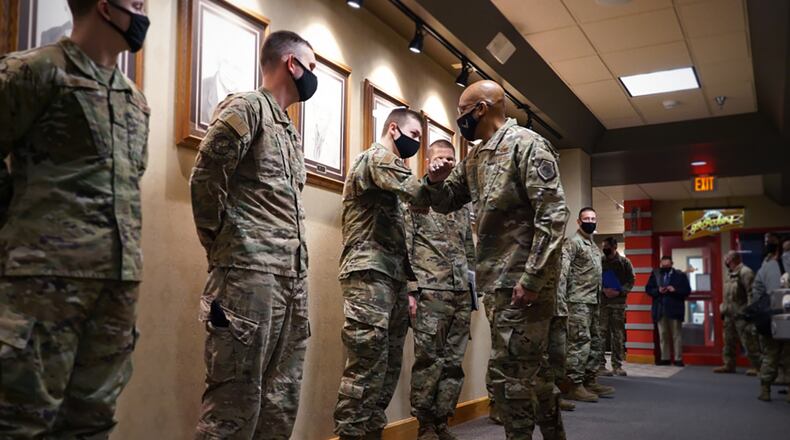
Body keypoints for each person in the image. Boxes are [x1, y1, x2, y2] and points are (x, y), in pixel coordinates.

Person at [0, 0, 150, 437]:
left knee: (91, 423)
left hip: (116, 285)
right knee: (19, 422)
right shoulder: (34, 71)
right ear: (105, 7)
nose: (144, 13)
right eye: (137, 3)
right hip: (41, 285)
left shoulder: (134, 99)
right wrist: (22, 226)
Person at [422, 80, 569, 440]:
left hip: (524, 283)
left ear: (481, 110)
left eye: (462, 112)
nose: (460, 119)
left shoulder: (528, 145)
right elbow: (444, 201)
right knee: (533, 374)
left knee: (511, 378)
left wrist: (532, 279)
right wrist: (434, 179)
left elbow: (552, 217)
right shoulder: (476, 158)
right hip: (499, 285)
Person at [190, 30, 317, 439]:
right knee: (233, 405)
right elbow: (206, 178)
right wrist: (226, 247)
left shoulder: (289, 131)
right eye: (311, 67)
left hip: (290, 280)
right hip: (247, 278)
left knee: (280, 401)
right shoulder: (247, 108)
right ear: (291, 65)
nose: (313, 75)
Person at [333, 108, 429, 440]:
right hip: (368, 274)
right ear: (393, 128)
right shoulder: (376, 159)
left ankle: (370, 432)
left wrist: (411, 287)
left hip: (392, 279)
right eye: (414, 135)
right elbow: (420, 194)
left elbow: (401, 238)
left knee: (387, 367)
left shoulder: (392, 174)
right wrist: (442, 185)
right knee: (366, 364)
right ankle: (351, 434)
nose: (417, 142)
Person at [402, 140, 476, 440]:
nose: (446, 163)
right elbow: (405, 243)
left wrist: (474, 291)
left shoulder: (459, 203)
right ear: (428, 162)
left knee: (453, 363)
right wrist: (409, 289)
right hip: (430, 291)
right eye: (440, 158)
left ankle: (443, 419)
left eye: (451, 159)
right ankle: (425, 424)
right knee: (429, 360)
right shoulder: (415, 196)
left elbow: (468, 247)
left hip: (459, 292)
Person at [561, 208, 615, 402]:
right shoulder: (573, 243)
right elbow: (563, 274)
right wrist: (561, 301)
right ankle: (574, 385)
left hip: (593, 301)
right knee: (578, 343)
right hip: (577, 302)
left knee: (595, 342)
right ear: (578, 222)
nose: (590, 221)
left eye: (593, 218)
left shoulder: (593, 246)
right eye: (586, 219)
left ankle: (589, 380)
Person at [753, 234, 790, 402]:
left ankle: (765, 389)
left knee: (770, 354)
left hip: (772, 318)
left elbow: (757, 294)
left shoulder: (766, 268)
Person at [714, 251, 761, 375]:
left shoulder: (746, 272)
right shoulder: (729, 274)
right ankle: (729, 365)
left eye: (726, 258)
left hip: (742, 314)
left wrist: (749, 312)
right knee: (728, 342)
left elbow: (751, 293)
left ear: (732, 259)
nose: (725, 260)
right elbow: (727, 295)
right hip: (729, 314)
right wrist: (723, 308)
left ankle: (758, 367)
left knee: (749, 342)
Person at [599, 237, 635, 377]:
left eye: (607, 246)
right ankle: (600, 365)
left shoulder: (625, 263)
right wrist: (603, 290)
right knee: (600, 334)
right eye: (603, 246)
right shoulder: (600, 261)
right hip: (603, 302)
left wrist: (619, 291)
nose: (605, 249)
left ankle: (617, 365)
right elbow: (593, 278)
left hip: (618, 303)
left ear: (614, 247)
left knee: (618, 335)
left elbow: (631, 280)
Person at [646, 256, 691, 366]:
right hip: (660, 309)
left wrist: (675, 290)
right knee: (663, 335)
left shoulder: (680, 275)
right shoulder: (656, 274)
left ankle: (678, 359)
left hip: (675, 309)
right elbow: (648, 289)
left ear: (672, 264)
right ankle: (665, 358)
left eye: (667, 265)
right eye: (663, 265)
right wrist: (658, 290)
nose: (665, 267)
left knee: (677, 335)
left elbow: (687, 291)